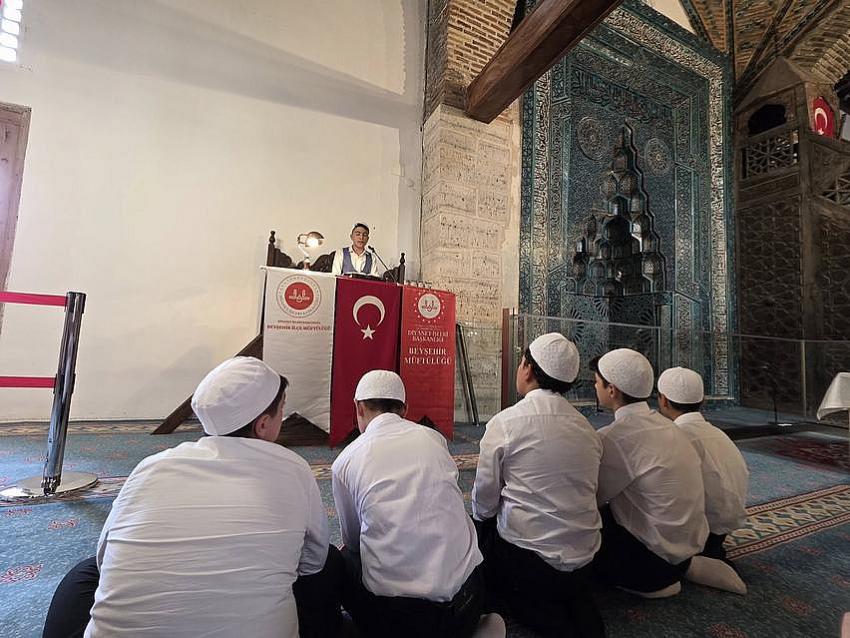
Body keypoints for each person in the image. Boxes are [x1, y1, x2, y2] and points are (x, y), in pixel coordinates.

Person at [43, 357, 343, 638]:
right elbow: (313, 561)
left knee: (84, 573)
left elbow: (105, 556)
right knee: (327, 561)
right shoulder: (292, 468)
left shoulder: (151, 466)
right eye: (282, 411)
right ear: (263, 424)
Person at [331, 370, 484, 638]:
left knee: (339, 559)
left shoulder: (346, 460)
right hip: (468, 600)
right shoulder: (434, 439)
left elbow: (352, 540)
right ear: (405, 409)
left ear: (359, 407)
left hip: (398, 619)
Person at [472, 333, 605, 638]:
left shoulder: (506, 423)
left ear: (528, 369)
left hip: (528, 564)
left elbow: (484, 502)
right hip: (585, 561)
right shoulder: (588, 430)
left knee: (478, 527)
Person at [590, 348, 709, 598]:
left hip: (649, 567)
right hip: (684, 556)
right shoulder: (671, 428)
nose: (594, 386)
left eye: (597, 382)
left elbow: (592, 496)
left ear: (612, 390)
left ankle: (644, 582)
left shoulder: (615, 438)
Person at [657, 367, 750, 563]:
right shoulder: (718, 434)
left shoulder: (675, 438)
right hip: (724, 526)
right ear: (703, 401)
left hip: (699, 532)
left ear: (663, 400)